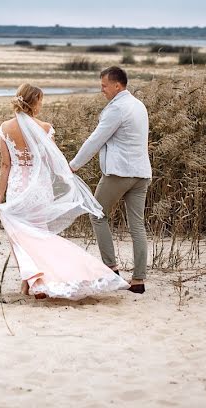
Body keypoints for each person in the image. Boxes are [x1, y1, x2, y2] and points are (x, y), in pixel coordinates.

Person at [0, 83, 128, 300]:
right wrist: (67, 178)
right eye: (40, 101)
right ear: (34, 103)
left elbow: (5, 165)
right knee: (41, 235)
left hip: (18, 188)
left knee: (20, 238)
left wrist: (0, 194)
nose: (41, 105)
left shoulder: (6, 127)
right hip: (39, 189)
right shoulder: (44, 128)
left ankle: (29, 283)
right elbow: (51, 162)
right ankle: (37, 282)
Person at [69, 66, 152, 294]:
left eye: (104, 85)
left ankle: (111, 270)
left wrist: (73, 166)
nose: (102, 90)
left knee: (97, 214)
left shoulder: (117, 108)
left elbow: (95, 140)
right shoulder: (139, 105)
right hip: (142, 173)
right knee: (137, 226)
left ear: (117, 85)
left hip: (120, 173)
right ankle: (138, 281)